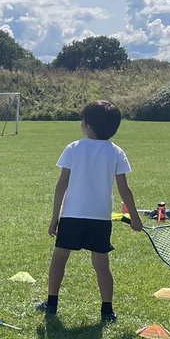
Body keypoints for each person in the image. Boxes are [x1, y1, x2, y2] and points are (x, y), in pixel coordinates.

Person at [37, 100, 142, 323]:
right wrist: (135, 217)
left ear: (87, 124)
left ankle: (51, 303)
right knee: (102, 265)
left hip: (72, 216)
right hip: (100, 219)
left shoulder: (73, 148)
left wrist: (54, 218)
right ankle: (107, 311)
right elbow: (125, 189)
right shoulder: (116, 151)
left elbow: (61, 185)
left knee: (59, 260)